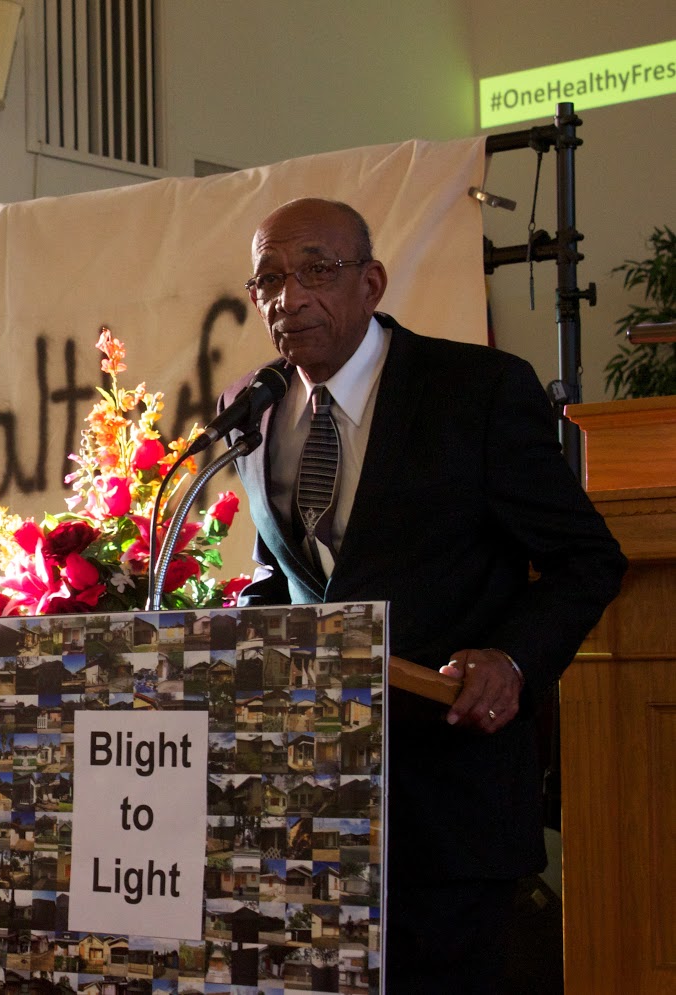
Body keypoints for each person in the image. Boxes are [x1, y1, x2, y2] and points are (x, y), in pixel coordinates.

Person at [220, 198, 626, 993]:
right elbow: (288, 571)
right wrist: (237, 637)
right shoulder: (254, 405)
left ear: (371, 282)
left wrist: (511, 660)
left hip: (450, 802)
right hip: (310, 806)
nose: (289, 297)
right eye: (269, 279)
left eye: (316, 271)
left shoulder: (475, 389)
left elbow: (587, 558)